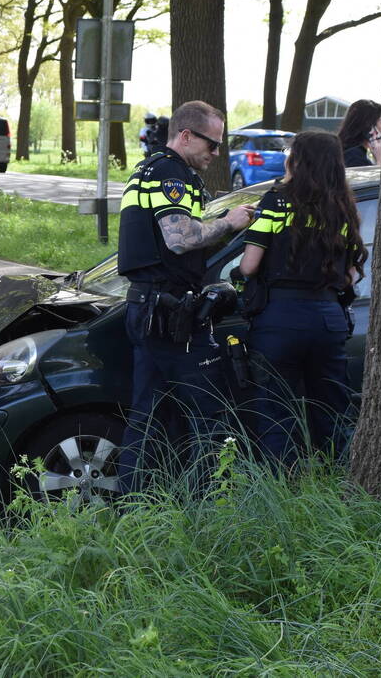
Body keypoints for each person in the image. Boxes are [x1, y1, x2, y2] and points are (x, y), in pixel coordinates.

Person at [115, 100, 256, 495]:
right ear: (186, 135)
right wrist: (228, 223)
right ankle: (212, 506)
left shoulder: (155, 170)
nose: (216, 154)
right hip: (167, 312)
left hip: (152, 309)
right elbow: (179, 239)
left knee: (147, 417)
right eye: (212, 145)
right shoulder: (168, 173)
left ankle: (133, 506)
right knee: (210, 412)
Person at [238, 130, 368, 470]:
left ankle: (285, 487)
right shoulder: (341, 208)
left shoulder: (276, 200)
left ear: (299, 159)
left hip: (279, 320)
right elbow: (351, 275)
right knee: (331, 411)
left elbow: (249, 265)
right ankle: (338, 482)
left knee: (276, 412)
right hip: (328, 319)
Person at [337, 99, 381, 167]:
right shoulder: (354, 157)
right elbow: (372, 177)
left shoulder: (359, 152)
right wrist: (380, 161)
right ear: (370, 126)